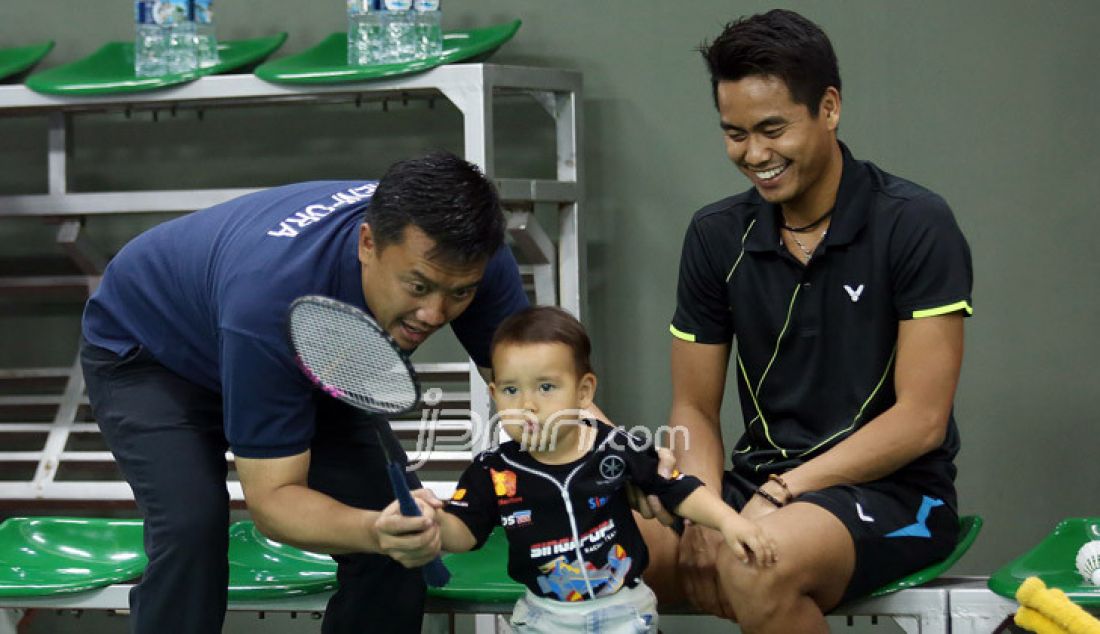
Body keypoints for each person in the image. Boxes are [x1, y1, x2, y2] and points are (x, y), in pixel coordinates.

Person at [80, 152, 531, 633]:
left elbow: (543, 396)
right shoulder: (270, 299)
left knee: (404, 539)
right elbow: (274, 502)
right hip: (153, 355)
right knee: (192, 529)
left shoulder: (473, 257)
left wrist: (612, 474)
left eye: (458, 294)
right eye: (417, 286)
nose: (434, 314)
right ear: (367, 243)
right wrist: (371, 532)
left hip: (318, 352)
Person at [639, 9, 974, 634]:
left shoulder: (914, 222)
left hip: (898, 495)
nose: (754, 154)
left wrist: (779, 495)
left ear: (828, 107)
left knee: (756, 563)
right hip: (755, 488)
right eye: (735, 133)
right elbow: (694, 408)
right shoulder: (716, 235)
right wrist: (705, 508)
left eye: (772, 129)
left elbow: (922, 421)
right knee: (591, 543)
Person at [435, 306, 777, 633]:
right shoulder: (492, 470)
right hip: (544, 618)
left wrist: (728, 521)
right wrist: (433, 523)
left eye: (546, 387)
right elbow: (464, 533)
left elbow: (679, 488)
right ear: (494, 394)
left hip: (625, 613)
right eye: (511, 390)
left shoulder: (616, 447)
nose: (528, 405)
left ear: (583, 391)